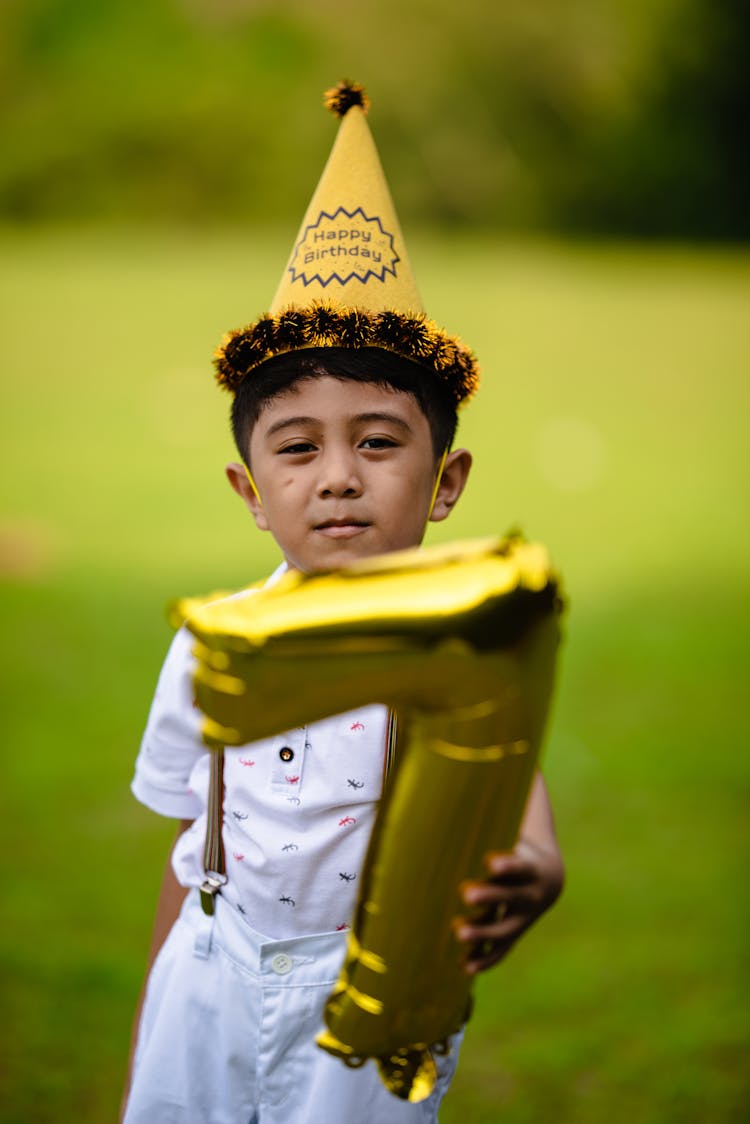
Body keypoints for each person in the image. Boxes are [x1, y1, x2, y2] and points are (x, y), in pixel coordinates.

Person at [121, 82, 564, 1124]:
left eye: (377, 442)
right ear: (253, 493)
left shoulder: (457, 646)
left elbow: (517, 790)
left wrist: (535, 866)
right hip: (212, 974)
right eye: (297, 447)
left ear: (444, 482)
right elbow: (192, 845)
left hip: (363, 999)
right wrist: (157, 1021)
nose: (338, 476)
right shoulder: (215, 647)